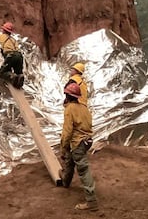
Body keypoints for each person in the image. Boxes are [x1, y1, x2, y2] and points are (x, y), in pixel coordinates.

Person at [59, 83, 98, 211]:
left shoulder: (70, 109)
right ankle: (65, 181)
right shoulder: (84, 108)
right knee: (70, 160)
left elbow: (67, 131)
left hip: (78, 142)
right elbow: (88, 125)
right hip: (87, 141)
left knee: (83, 169)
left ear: (68, 95)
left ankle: (91, 201)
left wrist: (63, 146)